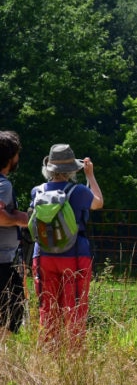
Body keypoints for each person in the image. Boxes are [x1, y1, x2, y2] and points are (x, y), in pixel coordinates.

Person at [30, 143, 103, 351]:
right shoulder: (79, 191)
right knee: (75, 308)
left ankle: (48, 355)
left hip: (42, 255)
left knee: (47, 308)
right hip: (75, 256)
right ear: (72, 170)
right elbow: (98, 202)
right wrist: (90, 176)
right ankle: (73, 356)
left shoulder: (37, 191)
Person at [0, 131, 29, 344]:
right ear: (10, 157)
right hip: (1, 262)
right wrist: (18, 220)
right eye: (17, 154)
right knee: (11, 314)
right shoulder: (3, 185)